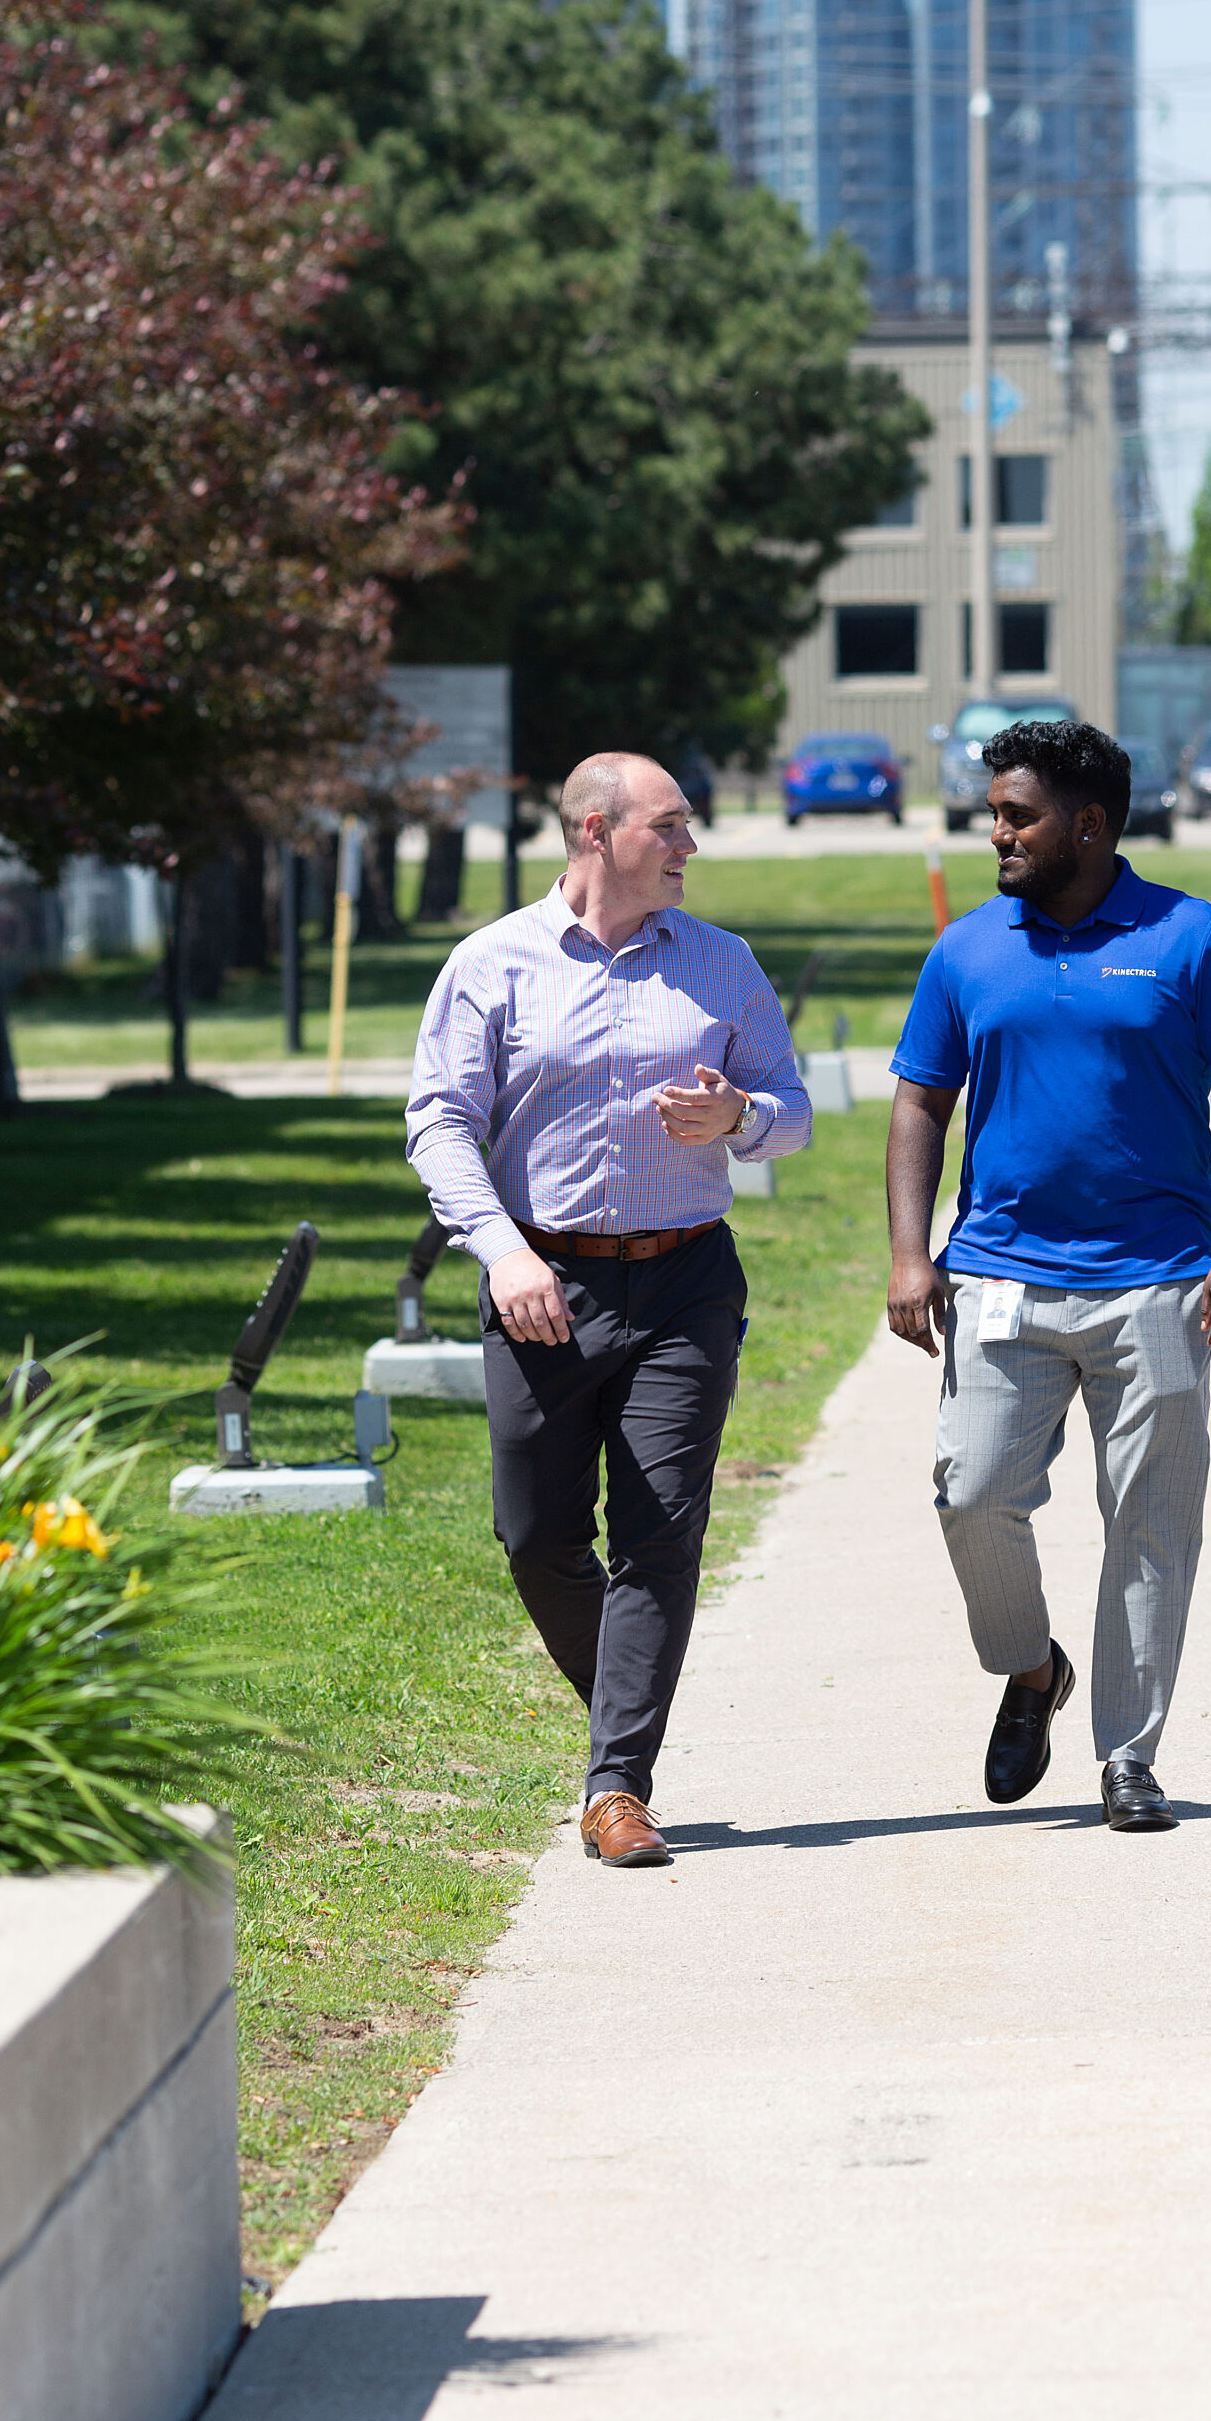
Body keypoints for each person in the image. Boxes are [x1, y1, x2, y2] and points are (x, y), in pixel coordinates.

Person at [885, 716, 1211, 1833]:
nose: (996, 832)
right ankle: (1029, 1668)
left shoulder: (1191, 939)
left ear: (1089, 823)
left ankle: (1127, 1758)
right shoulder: (968, 950)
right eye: (995, 814)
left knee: (1152, 1525)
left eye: (1016, 814)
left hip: (1158, 1282)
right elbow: (921, 1099)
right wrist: (911, 1252)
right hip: (999, 1276)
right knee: (970, 1492)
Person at [406, 753, 812, 1868]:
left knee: (659, 1533)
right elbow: (439, 1122)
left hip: (685, 1280)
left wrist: (738, 1116)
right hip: (543, 1283)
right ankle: (622, 1707)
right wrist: (499, 1251)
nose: (688, 847)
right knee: (535, 1538)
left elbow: (794, 1111)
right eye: (669, 827)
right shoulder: (492, 965)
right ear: (596, 831)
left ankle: (615, 1785)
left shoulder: (721, 965)